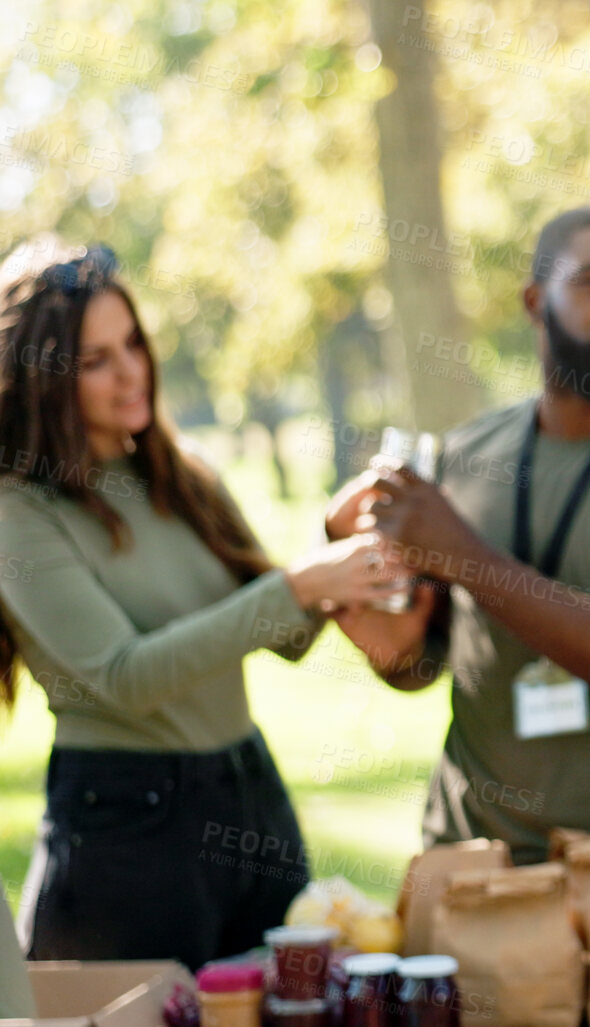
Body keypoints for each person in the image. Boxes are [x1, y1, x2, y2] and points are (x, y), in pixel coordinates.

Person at [0, 239, 401, 966]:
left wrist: (331, 553)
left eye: (132, 344)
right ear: (40, 380)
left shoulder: (180, 476)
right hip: (126, 825)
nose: (131, 372)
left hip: (247, 788)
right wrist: (300, 584)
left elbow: (284, 632)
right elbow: (127, 676)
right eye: (95, 360)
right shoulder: (18, 513)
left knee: (291, 1010)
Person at [324, 206, 590, 866]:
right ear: (536, 302)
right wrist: (390, 644)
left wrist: (464, 555)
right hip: (469, 858)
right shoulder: (465, 455)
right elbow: (426, 664)